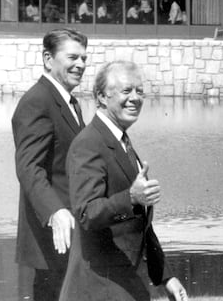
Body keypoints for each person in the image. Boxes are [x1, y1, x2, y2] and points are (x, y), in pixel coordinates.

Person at [59, 61, 188, 301]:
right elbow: (86, 213)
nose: (135, 98)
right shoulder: (89, 143)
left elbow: (139, 224)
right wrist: (130, 197)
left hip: (125, 287)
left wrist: (165, 276)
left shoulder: (120, 140)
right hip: (100, 290)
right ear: (101, 97)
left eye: (140, 91)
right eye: (126, 91)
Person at [12, 28, 89, 301]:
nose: (80, 65)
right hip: (52, 234)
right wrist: (54, 211)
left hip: (71, 231)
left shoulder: (70, 102)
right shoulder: (37, 101)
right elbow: (28, 167)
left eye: (84, 58)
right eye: (72, 58)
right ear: (48, 59)